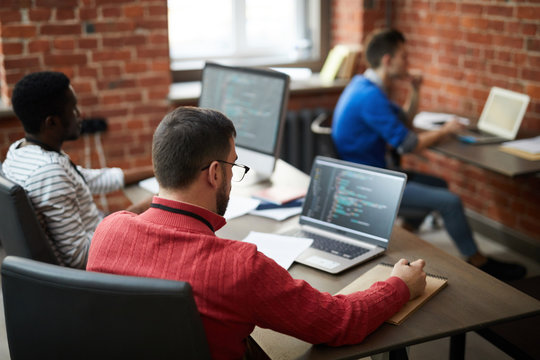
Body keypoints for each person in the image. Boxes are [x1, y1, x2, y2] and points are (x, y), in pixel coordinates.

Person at [86, 106, 427, 360]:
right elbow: (340, 322)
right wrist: (399, 286)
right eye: (234, 165)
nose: (234, 176)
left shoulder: (108, 231)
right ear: (215, 173)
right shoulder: (238, 266)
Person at [331, 28, 526, 281]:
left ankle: (407, 234)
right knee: (450, 201)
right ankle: (480, 262)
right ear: (388, 60)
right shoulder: (370, 96)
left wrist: (415, 90)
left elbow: (404, 123)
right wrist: (446, 130)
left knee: (439, 184)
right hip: (372, 184)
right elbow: (408, 144)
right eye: (404, 57)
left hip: (370, 172)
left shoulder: (363, 84)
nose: (408, 63)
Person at [1, 71, 154, 269]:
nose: (79, 114)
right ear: (52, 123)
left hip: (99, 235)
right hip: (95, 270)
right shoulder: (50, 172)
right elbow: (80, 258)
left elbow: (89, 179)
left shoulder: (21, 151)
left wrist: (156, 170)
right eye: (73, 109)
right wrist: (141, 209)